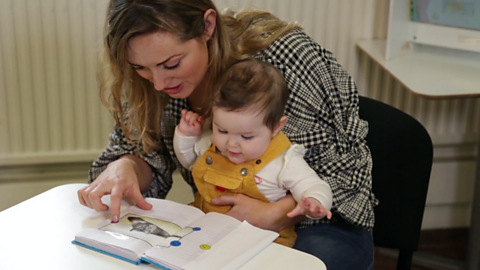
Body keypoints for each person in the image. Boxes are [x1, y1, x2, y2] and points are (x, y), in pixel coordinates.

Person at [77, 0, 377, 269]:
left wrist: (276, 214)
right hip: (223, 224)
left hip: (318, 226)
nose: (157, 83)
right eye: (140, 68)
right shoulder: (150, 78)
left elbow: (347, 173)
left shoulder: (286, 56)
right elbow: (145, 153)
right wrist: (125, 166)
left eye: (172, 64)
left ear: (208, 26)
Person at [173, 59, 333, 247]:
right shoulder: (211, 145)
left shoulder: (284, 160)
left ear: (276, 127)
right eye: (222, 130)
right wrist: (185, 135)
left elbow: (314, 185)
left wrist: (314, 202)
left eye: (246, 137)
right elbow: (189, 161)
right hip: (208, 232)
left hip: (262, 243)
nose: (231, 143)